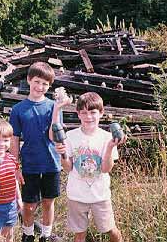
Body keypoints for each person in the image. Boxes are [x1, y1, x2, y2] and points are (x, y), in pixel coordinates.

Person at [9, 62, 68, 242]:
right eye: (37, 81)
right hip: (30, 163)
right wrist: (16, 166)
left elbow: (53, 136)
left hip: (51, 163)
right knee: (29, 205)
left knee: (48, 202)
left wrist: (57, 109)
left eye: (44, 84)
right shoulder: (18, 109)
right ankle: (27, 234)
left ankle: (46, 235)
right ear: (28, 80)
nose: (40, 87)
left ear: (49, 86)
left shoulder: (53, 106)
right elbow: (14, 140)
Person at [55, 92, 124, 242]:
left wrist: (110, 148)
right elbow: (68, 168)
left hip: (100, 195)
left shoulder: (107, 138)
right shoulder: (70, 136)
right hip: (76, 195)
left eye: (93, 112)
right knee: (79, 234)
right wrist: (62, 155)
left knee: (110, 230)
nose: (89, 117)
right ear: (78, 114)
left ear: (101, 113)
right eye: (84, 113)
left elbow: (106, 169)